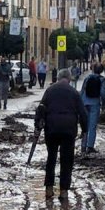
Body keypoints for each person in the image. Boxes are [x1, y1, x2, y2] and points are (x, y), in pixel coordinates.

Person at [35, 69, 87, 200]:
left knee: (51, 158)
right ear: (69, 79)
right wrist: (85, 129)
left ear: (58, 78)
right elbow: (83, 113)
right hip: (69, 130)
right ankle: (64, 190)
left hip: (51, 128)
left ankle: (49, 188)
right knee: (66, 160)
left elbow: (41, 108)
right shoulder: (74, 92)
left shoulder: (50, 91)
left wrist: (37, 125)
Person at [80, 63, 105, 154]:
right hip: (95, 103)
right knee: (92, 126)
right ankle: (90, 146)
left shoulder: (87, 78)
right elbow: (102, 92)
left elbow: (82, 90)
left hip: (84, 103)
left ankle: (83, 146)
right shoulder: (102, 79)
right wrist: (104, 103)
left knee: (85, 125)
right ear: (101, 71)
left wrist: (80, 103)